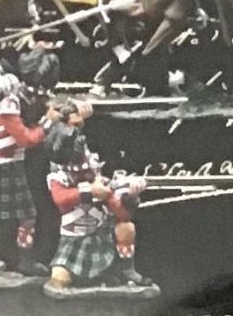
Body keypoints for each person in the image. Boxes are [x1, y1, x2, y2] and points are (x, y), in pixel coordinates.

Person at [43, 106, 158, 298]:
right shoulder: (59, 178)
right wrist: (89, 191)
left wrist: (129, 196)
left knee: (126, 228)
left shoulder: (99, 180)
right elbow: (61, 199)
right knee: (59, 278)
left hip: (100, 234)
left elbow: (122, 213)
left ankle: (127, 269)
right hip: (73, 238)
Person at [0, 56, 58, 282]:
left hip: (9, 162)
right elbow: (26, 139)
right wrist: (48, 122)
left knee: (18, 215)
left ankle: (20, 258)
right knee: (26, 215)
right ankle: (24, 259)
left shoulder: (14, 98)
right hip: (5, 164)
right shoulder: (8, 104)